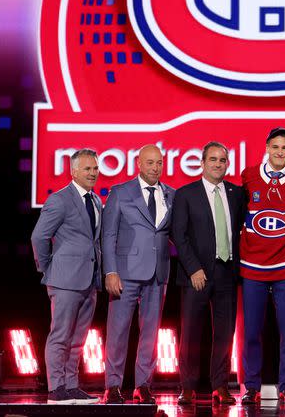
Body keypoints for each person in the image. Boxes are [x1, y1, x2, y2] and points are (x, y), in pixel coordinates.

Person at [171, 142, 245, 405]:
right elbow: (178, 235)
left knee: (225, 333)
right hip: (196, 275)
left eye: (222, 160)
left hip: (227, 272)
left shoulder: (236, 194)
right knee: (191, 332)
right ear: (202, 163)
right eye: (212, 159)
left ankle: (220, 386)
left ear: (227, 164)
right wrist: (193, 268)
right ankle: (188, 387)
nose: (217, 164)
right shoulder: (185, 194)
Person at [101, 144, 175, 404]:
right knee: (118, 330)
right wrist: (110, 271)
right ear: (139, 164)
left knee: (151, 332)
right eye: (150, 163)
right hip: (125, 273)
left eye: (159, 163)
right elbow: (108, 235)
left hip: (158, 273)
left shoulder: (171, 194)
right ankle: (112, 385)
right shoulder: (120, 192)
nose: (156, 168)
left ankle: (143, 385)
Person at [239, 127, 285, 405]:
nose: (280, 152)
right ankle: (251, 386)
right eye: (275, 147)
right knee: (251, 331)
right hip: (253, 265)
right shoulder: (249, 176)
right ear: (267, 147)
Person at [31, 149, 102, 405]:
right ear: (73, 171)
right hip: (64, 280)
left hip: (89, 281)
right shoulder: (59, 200)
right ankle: (56, 388)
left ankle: (71, 387)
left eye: (95, 168)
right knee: (60, 336)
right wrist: (47, 268)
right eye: (87, 169)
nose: (93, 173)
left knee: (78, 339)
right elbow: (39, 237)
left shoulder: (95, 200)